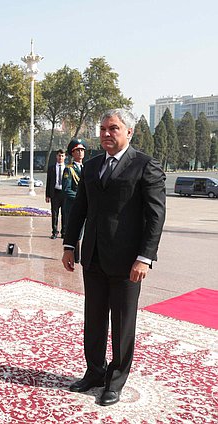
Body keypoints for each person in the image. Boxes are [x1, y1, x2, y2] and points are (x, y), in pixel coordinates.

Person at [62, 109, 166, 407]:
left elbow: (155, 216)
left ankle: (116, 380)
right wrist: (70, 245)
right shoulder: (92, 166)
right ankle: (94, 372)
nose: (106, 134)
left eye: (114, 129)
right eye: (103, 129)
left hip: (127, 262)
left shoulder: (146, 166)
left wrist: (145, 257)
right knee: (93, 319)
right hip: (92, 257)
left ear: (129, 132)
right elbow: (79, 208)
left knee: (122, 323)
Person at [62, 140, 86, 262]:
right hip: (73, 205)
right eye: (78, 150)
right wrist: (80, 198)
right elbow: (66, 190)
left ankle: (79, 256)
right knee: (73, 231)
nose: (80, 152)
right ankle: (74, 256)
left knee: (82, 232)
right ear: (73, 153)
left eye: (82, 150)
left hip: (85, 206)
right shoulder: (69, 169)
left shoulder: (87, 167)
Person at [45, 149, 66, 238]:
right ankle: (54, 232)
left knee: (65, 214)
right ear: (56, 156)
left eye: (62, 156)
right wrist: (47, 195)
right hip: (55, 193)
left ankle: (64, 232)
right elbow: (48, 182)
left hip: (65, 194)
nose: (60, 157)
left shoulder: (68, 168)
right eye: (59, 155)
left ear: (65, 157)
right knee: (54, 214)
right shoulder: (51, 168)